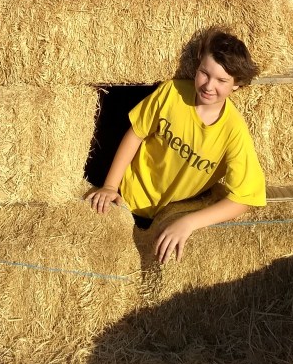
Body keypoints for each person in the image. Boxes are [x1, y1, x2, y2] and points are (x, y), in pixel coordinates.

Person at [88, 29, 265, 263]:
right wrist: (110, 185)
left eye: (222, 80)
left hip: (165, 212)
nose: (209, 86)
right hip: (126, 189)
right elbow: (136, 133)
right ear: (198, 64)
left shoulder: (234, 132)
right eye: (204, 73)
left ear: (237, 84)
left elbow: (245, 198)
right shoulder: (172, 93)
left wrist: (189, 223)